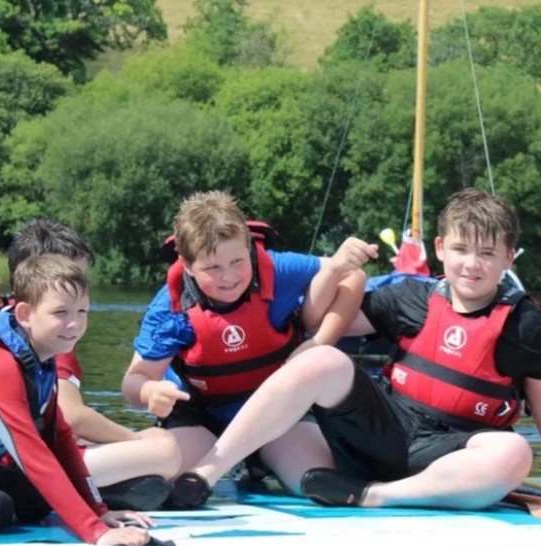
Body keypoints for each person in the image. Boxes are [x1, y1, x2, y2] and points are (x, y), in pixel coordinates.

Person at [186, 188, 541, 510]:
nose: (471, 264)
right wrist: (337, 270)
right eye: (460, 249)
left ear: (508, 258)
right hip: (383, 431)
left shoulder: (525, 324)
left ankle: (375, 496)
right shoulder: (411, 297)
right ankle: (206, 472)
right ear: (440, 249)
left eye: (486, 254)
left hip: (450, 450)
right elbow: (316, 319)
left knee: (513, 454)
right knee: (321, 360)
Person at [121, 191, 373, 508]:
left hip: (277, 414)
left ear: (249, 248)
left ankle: (260, 461)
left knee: (319, 481)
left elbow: (350, 273)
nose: (228, 276)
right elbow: (133, 382)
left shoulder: (278, 270)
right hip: (203, 418)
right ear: (186, 265)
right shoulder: (169, 309)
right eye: (212, 267)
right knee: (156, 477)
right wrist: (150, 392)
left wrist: (319, 341)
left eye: (237, 261)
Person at [0, 255, 151, 546]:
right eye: (60, 312)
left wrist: (98, 511)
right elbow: (31, 453)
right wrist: (95, 532)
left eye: (82, 311)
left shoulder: (39, 358)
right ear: (25, 314)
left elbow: (60, 437)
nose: (74, 323)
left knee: (35, 502)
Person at [0, 219, 180, 511]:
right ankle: (98, 491)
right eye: (74, 278)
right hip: (8, 467)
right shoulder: (49, 336)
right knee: (165, 449)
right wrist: (135, 438)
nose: (82, 289)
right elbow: (72, 418)